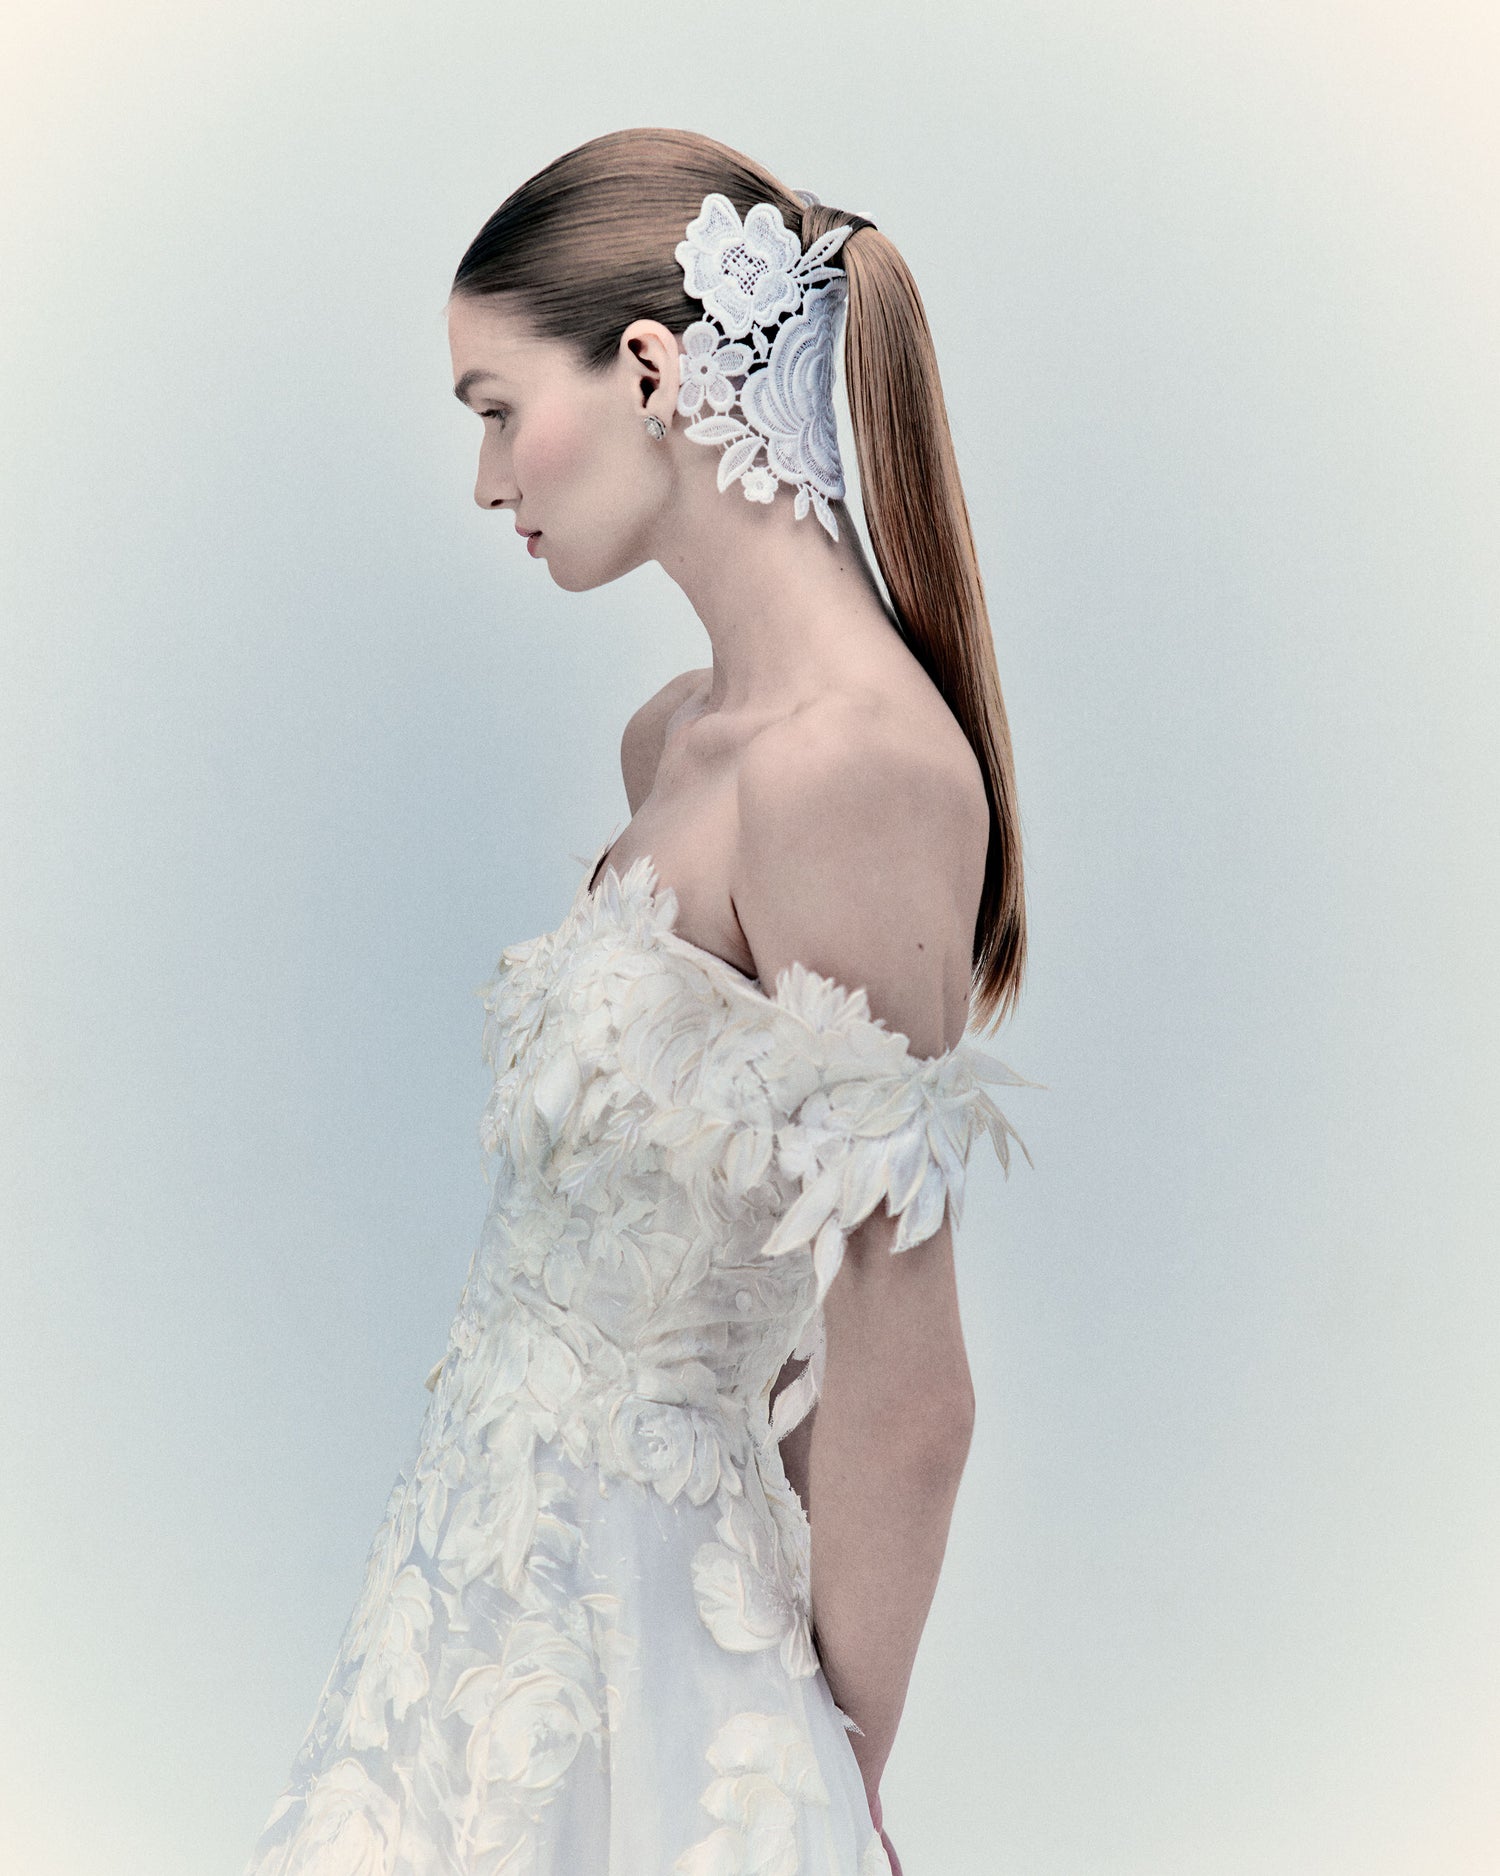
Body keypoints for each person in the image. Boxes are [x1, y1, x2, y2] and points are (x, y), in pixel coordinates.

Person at [243, 126, 1031, 1876]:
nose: (485, 477)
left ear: (656, 368)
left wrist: (820, 1789)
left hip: (662, 1684)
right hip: (462, 1619)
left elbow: (906, 1383)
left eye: (494, 405)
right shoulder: (674, 739)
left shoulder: (857, 776)